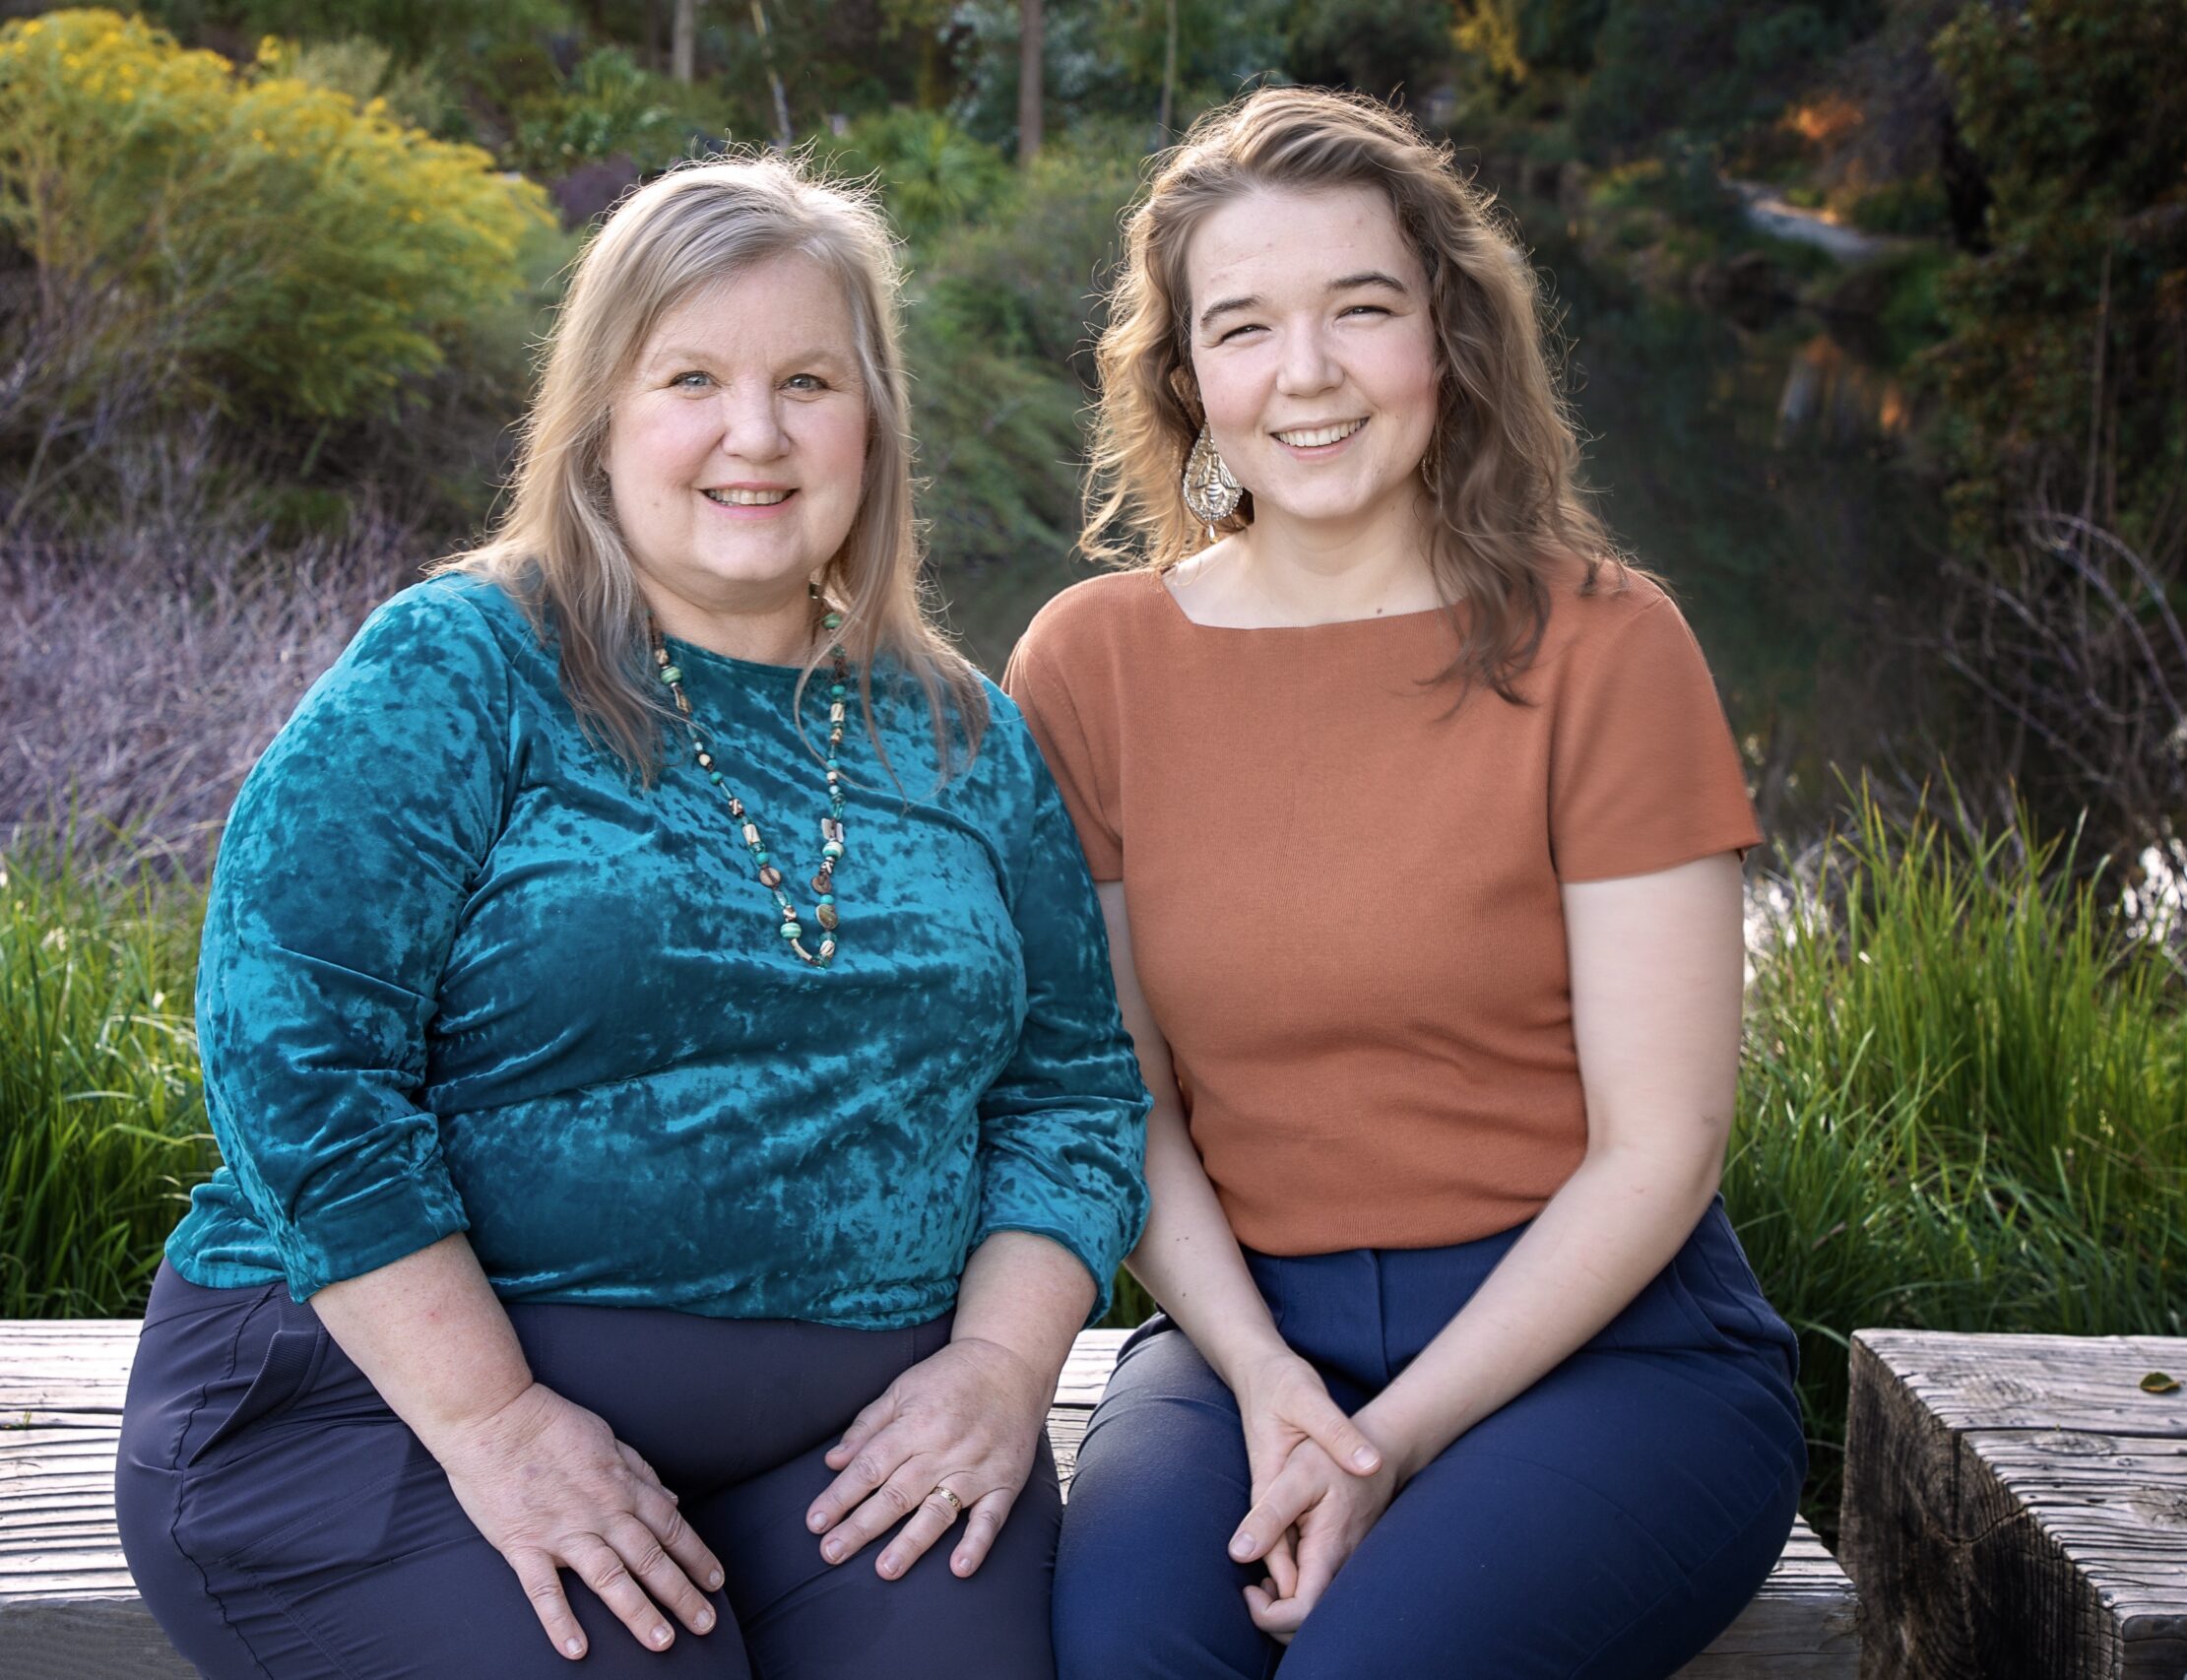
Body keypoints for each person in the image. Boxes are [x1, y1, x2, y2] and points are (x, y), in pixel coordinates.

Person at [113, 154, 1149, 1680]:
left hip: (851, 1452)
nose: (757, 432)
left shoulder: (964, 736)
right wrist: (495, 1419)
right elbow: (296, 1055)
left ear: (874, 422)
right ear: (602, 418)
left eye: (809, 378)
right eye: (692, 378)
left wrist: (998, 1368)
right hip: (395, 1411)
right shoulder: (461, 668)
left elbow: (1073, 1092)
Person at [1006, 89, 1806, 1678]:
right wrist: (1262, 1379)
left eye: (1360, 310)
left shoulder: (1604, 645)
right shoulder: (1090, 665)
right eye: (1244, 328)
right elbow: (1124, 1106)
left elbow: (1665, 1145)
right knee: (1123, 1657)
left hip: (1607, 1350)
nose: (1305, 374)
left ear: (1448, 333)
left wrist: (1391, 1444)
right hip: (1249, 1335)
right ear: (1187, 383)